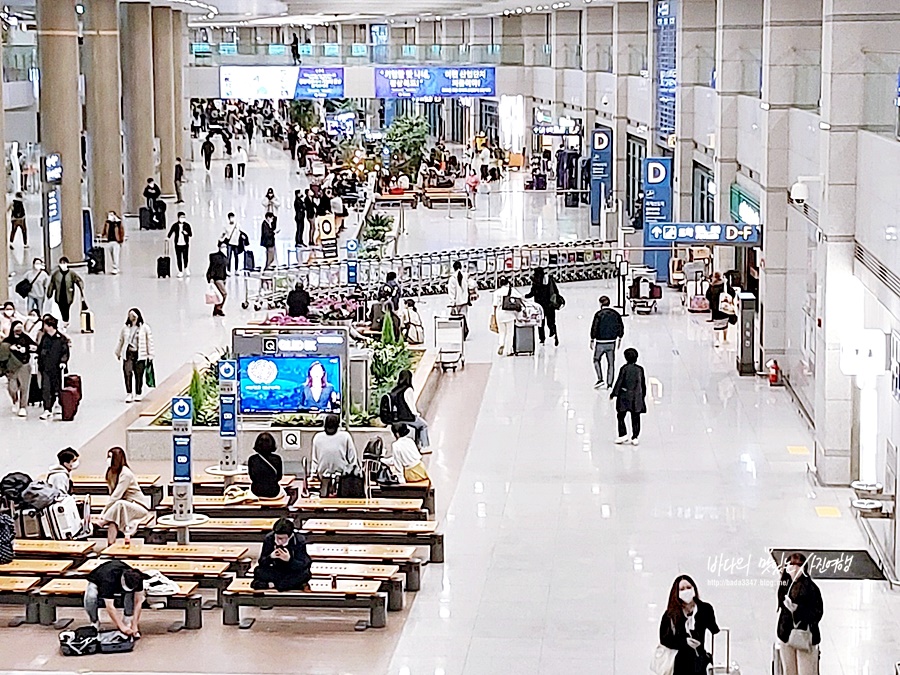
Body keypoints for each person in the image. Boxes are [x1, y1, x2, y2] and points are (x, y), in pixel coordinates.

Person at [659, 574, 720, 674]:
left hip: (699, 660)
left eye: (688, 587)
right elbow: (665, 639)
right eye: (682, 589)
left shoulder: (704, 608)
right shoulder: (671, 614)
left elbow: (714, 629)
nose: (686, 591)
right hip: (679, 663)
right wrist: (685, 642)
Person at [777, 552, 824, 674]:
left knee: (805, 671)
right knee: (789, 670)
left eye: (798, 566)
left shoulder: (811, 589)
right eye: (791, 566)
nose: (794, 569)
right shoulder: (785, 584)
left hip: (805, 636)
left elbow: (817, 613)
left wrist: (798, 611)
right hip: (786, 634)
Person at [99, 447, 152, 546]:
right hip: (124, 507)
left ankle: (103, 521)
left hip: (138, 507)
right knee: (113, 519)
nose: (108, 460)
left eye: (111, 457)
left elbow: (116, 496)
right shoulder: (111, 473)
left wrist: (103, 515)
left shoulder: (126, 473)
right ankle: (110, 545)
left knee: (119, 504)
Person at [84, 559, 146, 637]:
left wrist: (135, 624)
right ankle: (94, 622)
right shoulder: (108, 580)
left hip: (118, 574)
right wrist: (121, 627)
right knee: (91, 597)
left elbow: (138, 601)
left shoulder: (137, 577)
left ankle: (128, 619)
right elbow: (110, 607)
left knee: (131, 595)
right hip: (98, 579)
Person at [251, 517, 312, 592]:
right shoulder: (269, 538)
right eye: (277, 538)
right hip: (276, 570)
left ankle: (272, 585)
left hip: (291, 571)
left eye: (282, 539)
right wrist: (270, 557)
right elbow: (261, 562)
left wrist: (289, 560)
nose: (279, 541)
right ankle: (285, 585)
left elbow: (304, 564)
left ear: (290, 536)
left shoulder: (299, 540)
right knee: (258, 571)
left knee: (305, 574)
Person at [114, 308, 154, 404]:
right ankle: (129, 393)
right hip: (128, 353)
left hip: (140, 354)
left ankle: (138, 392)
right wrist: (118, 352)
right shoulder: (125, 328)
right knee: (127, 372)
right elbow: (121, 340)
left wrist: (150, 354)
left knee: (139, 374)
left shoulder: (144, 328)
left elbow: (149, 341)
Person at [610, 347, 646, 445]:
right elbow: (643, 384)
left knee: (621, 415)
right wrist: (643, 396)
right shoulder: (640, 370)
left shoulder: (624, 369)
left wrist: (614, 393)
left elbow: (620, 381)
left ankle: (622, 434)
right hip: (636, 397)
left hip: (624, 396)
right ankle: (635, 436)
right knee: (635, 417)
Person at [36, 315, 69, 420]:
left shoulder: (61, 339)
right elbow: (40, 349)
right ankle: (47, 409)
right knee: (46, 388)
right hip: (45, 367)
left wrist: (63, 362)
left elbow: (65, 352)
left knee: (57, 387)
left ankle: (57, 404)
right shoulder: (45, 338)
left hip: (57, 368)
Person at [1, 320, 36, 417]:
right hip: (12, 367)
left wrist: (27, 348)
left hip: (24, 365)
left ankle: (23, 407)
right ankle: (15, 399)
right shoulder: (7, 341)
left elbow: (34, 347)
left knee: (24, 387)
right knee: (12, 387)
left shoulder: (26, 338)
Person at [310, 413, 358, 481]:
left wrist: (313, 474)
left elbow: (315, 460)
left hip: (323, 476)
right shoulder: (345, 436)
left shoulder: (317, 437)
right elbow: (352, 458)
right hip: (343, 476)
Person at [389, 369, 430, 450]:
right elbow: (410, 405)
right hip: (407, 417)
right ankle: (423, 446)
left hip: (396, 417)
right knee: (423, 425)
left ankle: (418, 444)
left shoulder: (395, 389)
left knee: (418, 426)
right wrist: (416, 415)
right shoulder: (408, 390)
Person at [590, 295, 624, 389]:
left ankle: (600, 379)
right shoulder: (615, 314)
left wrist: (592, 338)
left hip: (600, 341)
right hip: (612, 341)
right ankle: (610, 383)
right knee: (611, 363)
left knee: (596, 360)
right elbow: (620, 326)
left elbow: (595, 327)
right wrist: (620, 337)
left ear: (600, 304)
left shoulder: (598, 314)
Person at [525, 266, 561, 346]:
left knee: (540, 323)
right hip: (550, 305)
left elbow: (532, 293)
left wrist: (524, 297)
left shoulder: (536, 282)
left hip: (539, 306)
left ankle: (542, 339)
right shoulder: (549, 280)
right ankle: (554, 333)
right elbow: (555, 291)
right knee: (551, 322)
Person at [47, 257, 85, 328]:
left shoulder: (71, 274)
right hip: (59, 295)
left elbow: (78, 280)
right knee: (61, 308)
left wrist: (81, 287)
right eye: (61, 263)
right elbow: (52, 284)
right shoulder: (56, 274)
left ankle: (65, 321)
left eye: (64, 263)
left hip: (68, 295)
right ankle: (64, 321)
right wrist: (49, 293)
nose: (62, 265)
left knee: (66, 308)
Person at [492, 276, 523, 356]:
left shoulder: (497, 292)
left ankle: (501, 344)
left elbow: (495, 305)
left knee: (502, 332)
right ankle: (508, 351)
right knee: (510, 333)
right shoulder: (512, 290)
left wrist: (494, 316)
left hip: (499, 314)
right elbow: (520, 297)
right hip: (510, 315)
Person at [247, 432, 284, 499]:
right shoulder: (277, 459)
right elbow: (279, 477)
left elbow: (252, 477)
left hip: (256, 492)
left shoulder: (252, 459)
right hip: (274, 492)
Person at [705, 271, 737, 344]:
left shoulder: (712, 286)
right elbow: (732, 293)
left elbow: (707, 296)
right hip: (724, 307)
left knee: (717, 324)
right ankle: (725, 339)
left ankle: (717, 339)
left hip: (715, 308)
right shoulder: (725, 285)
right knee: (725, 324)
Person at [447, 261, 472, 339]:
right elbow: (472, 285)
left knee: (456, 318)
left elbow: (452, 292)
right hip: (464, 301)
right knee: (464, 316)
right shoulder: (466, 276)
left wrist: (452, 303)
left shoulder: (452, 278)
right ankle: (464, 331)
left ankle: (458, 332)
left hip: (457, 302)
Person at [168, 212, 193, 278]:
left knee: (185, 257)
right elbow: (171, 232)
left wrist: (186, 233)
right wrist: (168, 238)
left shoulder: (187, 225)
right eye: (181, 217)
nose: (182, 219)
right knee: (178, 257)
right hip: (177, 244)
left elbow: (191, 234)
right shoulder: (175, 225)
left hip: (185, 244)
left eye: (183, 217)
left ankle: (186, 268)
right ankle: (180, 270)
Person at [206, 244, 228, 317]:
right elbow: (213, 267)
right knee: (224, 293)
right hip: (217, 278)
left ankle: (216, 309)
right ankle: (219, 308)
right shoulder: (215, 257)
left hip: (223, 277)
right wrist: (211, 277)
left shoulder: (225, 256)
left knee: (220, 294)